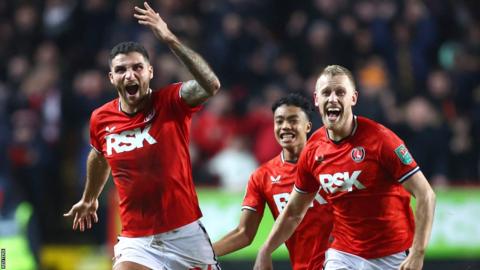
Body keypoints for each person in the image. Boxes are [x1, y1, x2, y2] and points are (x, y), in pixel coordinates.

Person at [64, 2, 221, 270]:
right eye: (122, 70)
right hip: (136, 240)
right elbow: (99, 155)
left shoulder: (171, 101)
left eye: (137, 67)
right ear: (111, 78)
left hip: (185, 235)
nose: (130, 74)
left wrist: (170, 38)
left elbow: (211, 84)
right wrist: (89, 198)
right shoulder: (101, 118)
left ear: (150, 72)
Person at [254, 65, 436, 270]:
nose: (332, 98)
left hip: (392, 255)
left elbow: (426, 195)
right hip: (344, 254)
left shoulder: (382, 140)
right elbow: (294, 212)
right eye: (326, 93)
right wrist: (266, 249)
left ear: (353, 99)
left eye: (340, 92)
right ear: (316, 100)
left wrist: (418, 252)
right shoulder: (313, 150)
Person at [213, 93, 333, 270]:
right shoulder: (262, 176)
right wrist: (202, 254)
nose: (285, 126)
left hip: (344, 261)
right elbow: (244, 233)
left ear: (307, 126)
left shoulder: (330, 162)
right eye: (279, 121)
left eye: (293, 120)